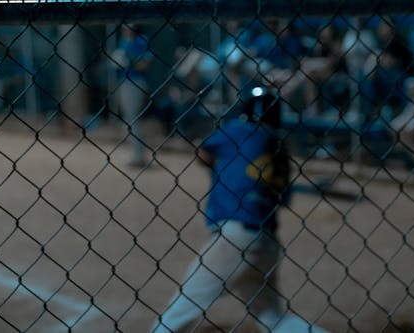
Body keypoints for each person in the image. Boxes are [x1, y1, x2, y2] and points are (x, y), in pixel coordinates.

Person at [149, 87, 330, 333]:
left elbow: (203, 152)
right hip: (266, 241)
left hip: (234, 236)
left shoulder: (237, 129)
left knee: (182, 308)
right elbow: (283, 199)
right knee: (272, 320)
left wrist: (221, 169)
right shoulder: (280, 149)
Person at [112, 24, 153, 168]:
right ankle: (135, 152)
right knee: (129, 118)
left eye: (126, 27)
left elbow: (145, 63)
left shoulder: (141, 40)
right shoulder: (124, 41)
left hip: (136, 82)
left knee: (133, 118)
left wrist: (129, 63)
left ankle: (138, 155)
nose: (124, 30)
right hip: (124, 81)